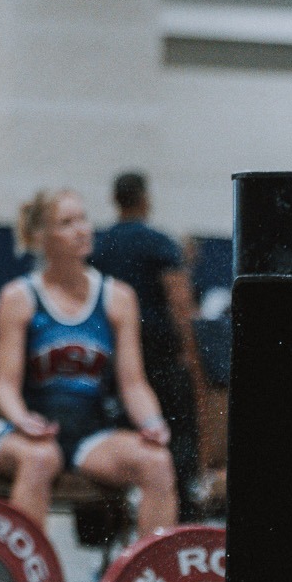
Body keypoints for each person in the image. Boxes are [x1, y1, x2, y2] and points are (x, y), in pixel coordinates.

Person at [0, 188, 177, 534]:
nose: (82, 230)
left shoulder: (118, 297)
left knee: (157, 461)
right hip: (26, 429)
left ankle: (151, 568)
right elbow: (4, 386)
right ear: (41, 236)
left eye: (83, 219)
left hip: (89, 433)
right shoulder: (19, 297)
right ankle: (25, 564)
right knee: (41, 458)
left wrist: (152, 421)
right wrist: (23, 419)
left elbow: (133, 383)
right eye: (67, 223)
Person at [92, 171, 203, 518]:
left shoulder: (99, 245)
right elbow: (180, 302)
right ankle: (178, 518)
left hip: (111, 356)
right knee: (173, 435)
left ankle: (111, 523)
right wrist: (190, 354)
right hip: (158, 357)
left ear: (115, 200)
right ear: (144, 199)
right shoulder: (159, 243)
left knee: (115, 437)